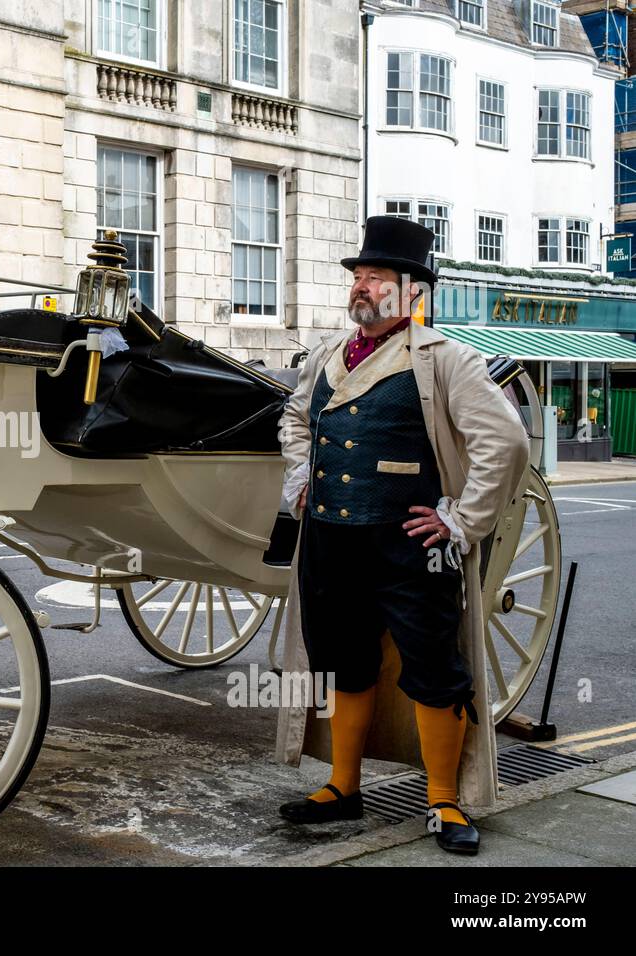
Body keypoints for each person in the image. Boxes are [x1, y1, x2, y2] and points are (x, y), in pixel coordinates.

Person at [274, 216, 529, 855]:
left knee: (434, 668)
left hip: (411, 545)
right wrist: (301, 477)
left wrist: (460, 520)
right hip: (331, 539)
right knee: (343, 660)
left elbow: (505, 441)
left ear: (412, 290)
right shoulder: (329, 353)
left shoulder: (446, 359)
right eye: (358, 275)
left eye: (377, 277)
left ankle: (444, 801)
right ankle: (343, 787)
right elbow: (295, 418)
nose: (362, 286)